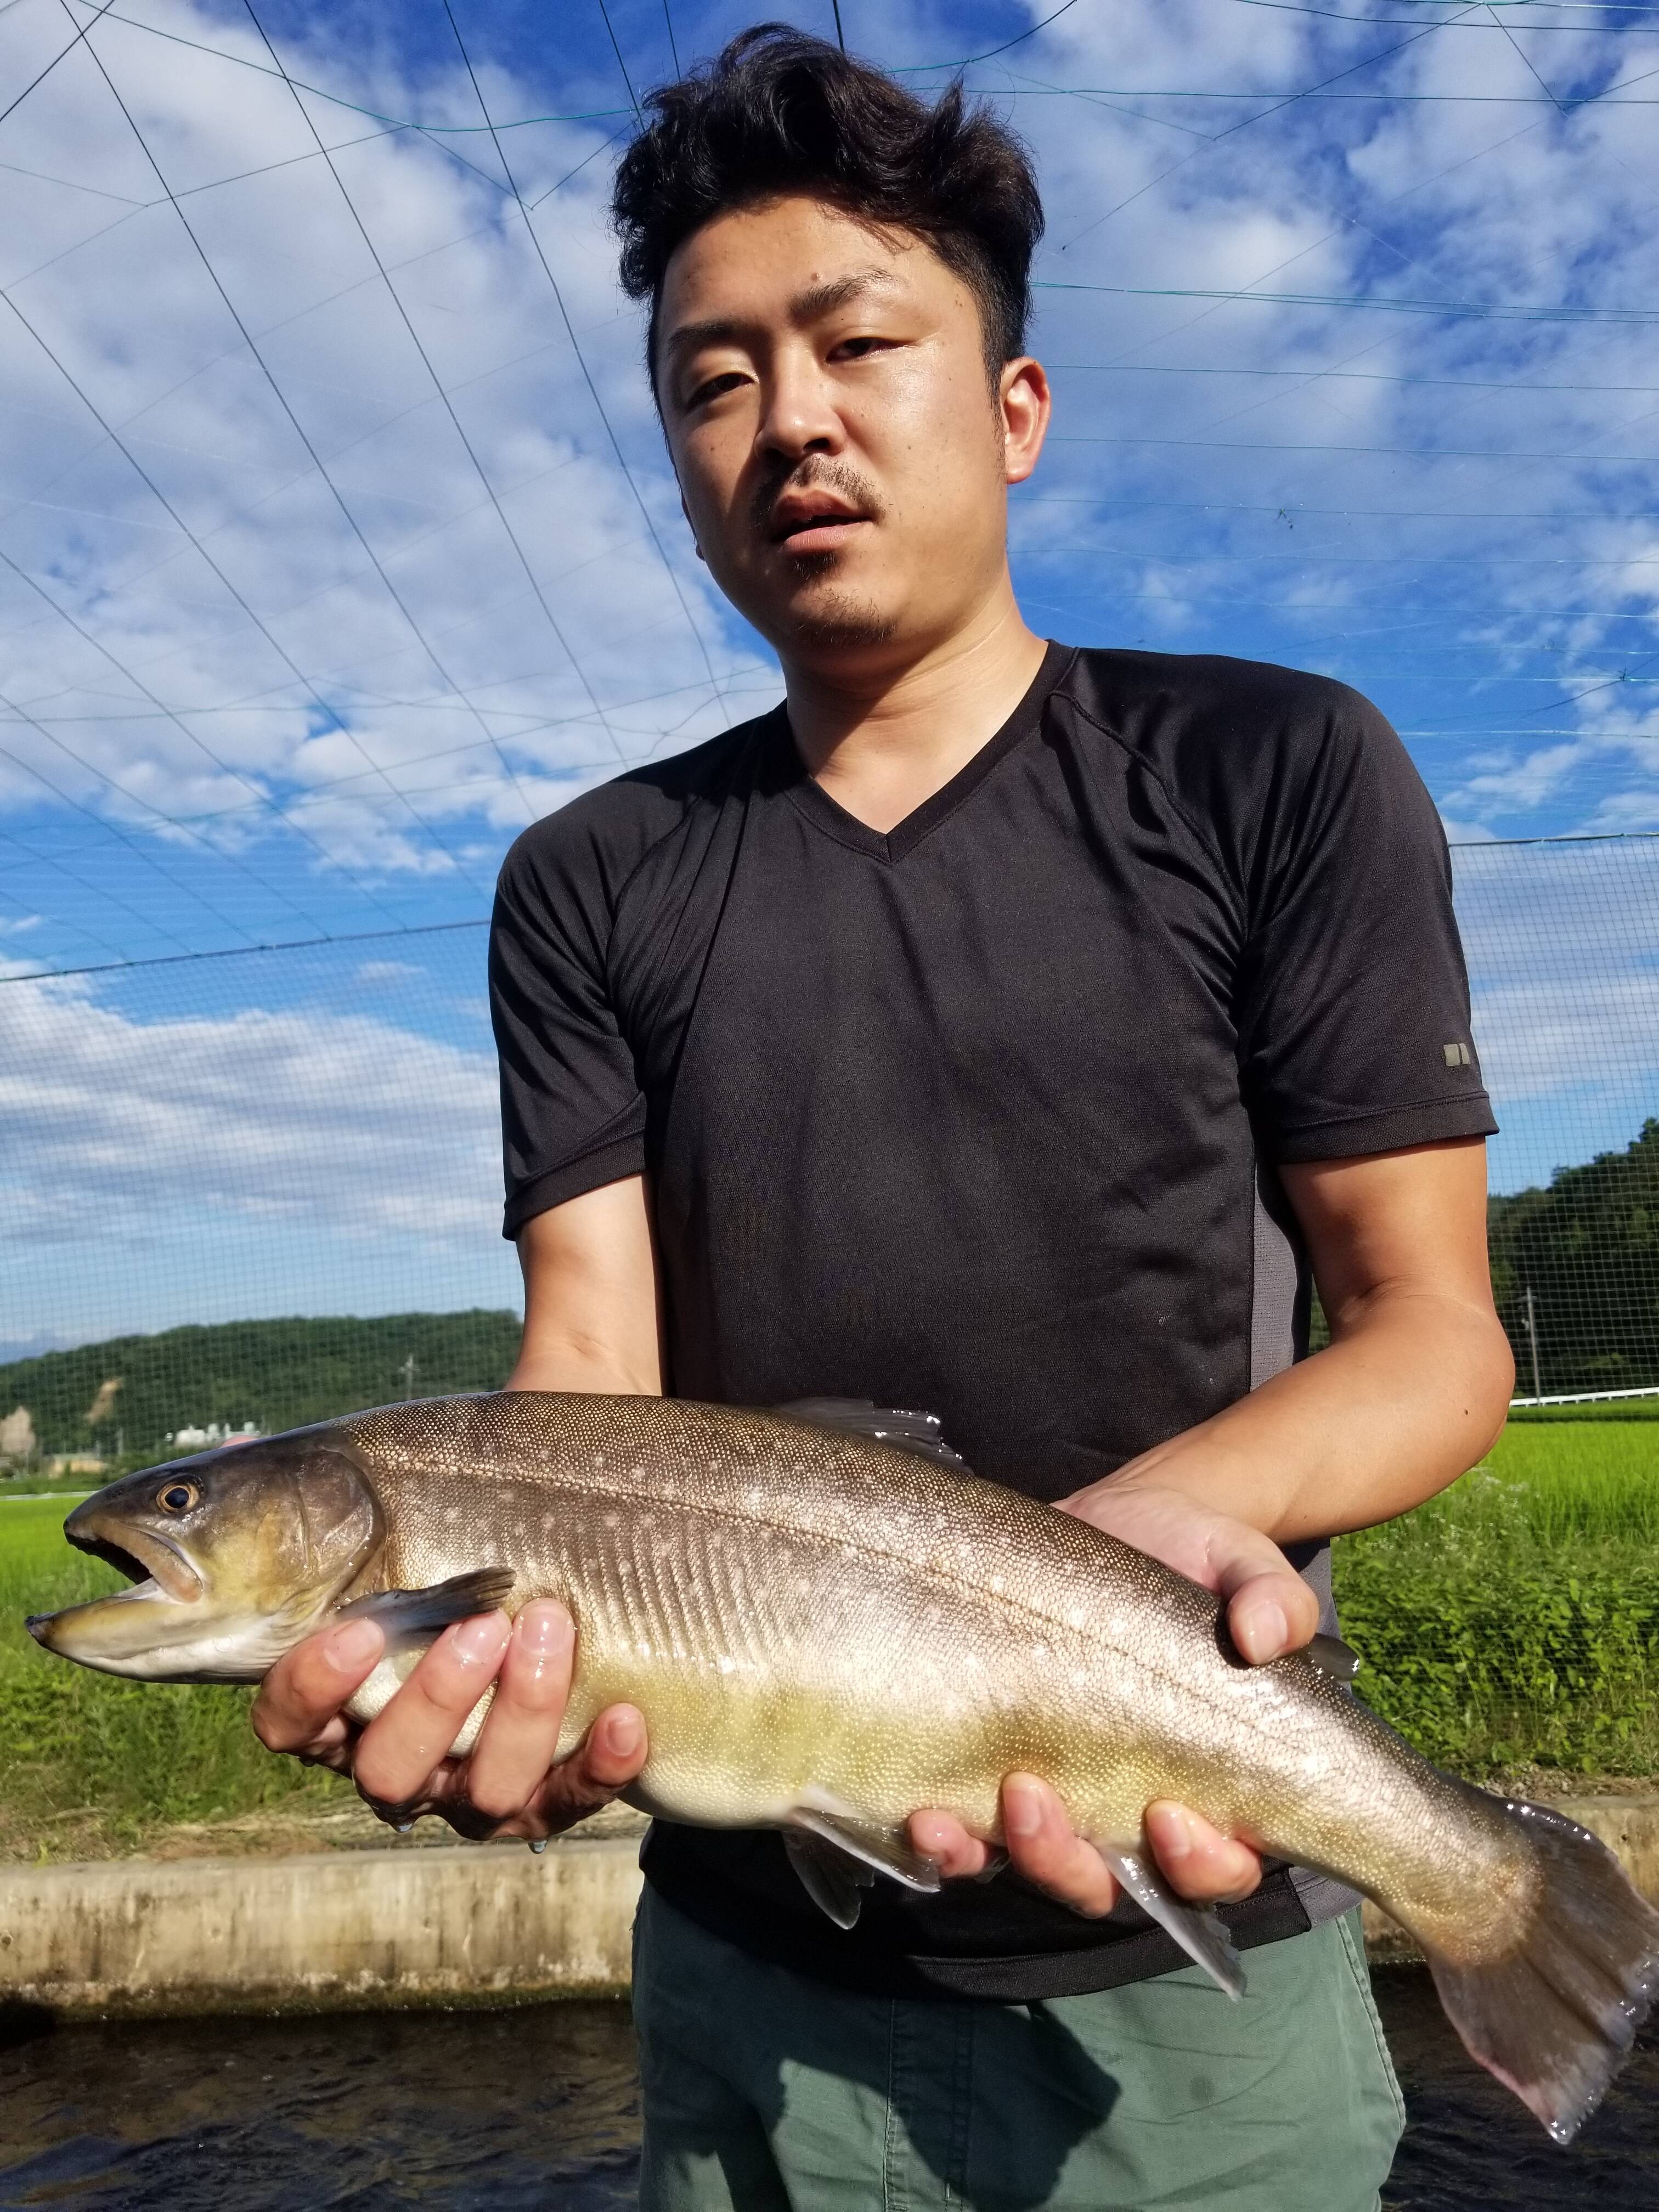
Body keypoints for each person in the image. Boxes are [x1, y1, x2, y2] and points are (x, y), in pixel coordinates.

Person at [252, 28, 1514, 2210]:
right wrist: (497, 1656)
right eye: (713, 379)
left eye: (859, 343)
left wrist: (1096, 1572)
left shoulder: (1276, 774)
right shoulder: (587, 882)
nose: (793, 420)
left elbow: (1433, 1335)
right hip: (753, 1996)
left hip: (1197, 1974)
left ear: (1015, 409)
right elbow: (586, 1376)